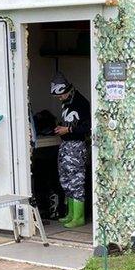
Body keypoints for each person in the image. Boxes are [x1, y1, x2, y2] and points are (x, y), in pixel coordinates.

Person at [50, 73, 91, 228]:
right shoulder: (67, 102)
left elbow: (87, 126)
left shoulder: (80, 103)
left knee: (76, 181)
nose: (60, 98)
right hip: (66, 145)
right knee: (66, 180)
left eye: (61, 95)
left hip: (77, 145)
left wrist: (68, 129)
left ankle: (78, 216)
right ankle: (70, 213)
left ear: (68, 90)